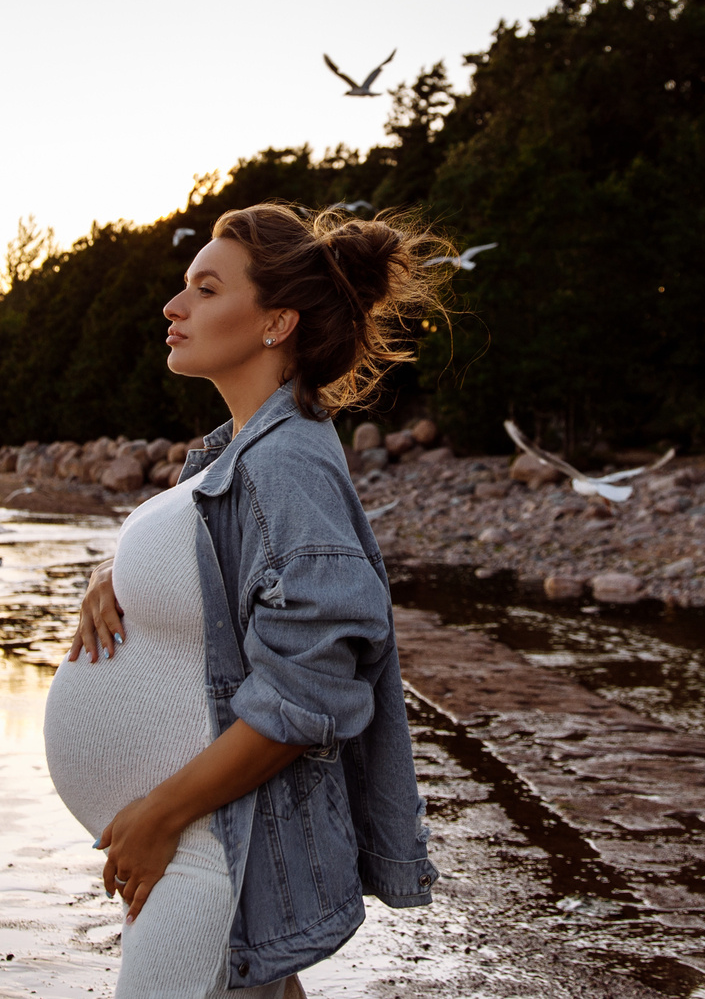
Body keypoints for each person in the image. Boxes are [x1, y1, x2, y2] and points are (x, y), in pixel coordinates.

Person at [43, 203, 448, 998]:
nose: (173, 305)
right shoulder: (244, 448)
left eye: (204, 287)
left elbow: (307, 693)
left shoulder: (288, 462)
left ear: (276, 320)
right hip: (199, 844)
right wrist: (115, 575)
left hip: (212, 847)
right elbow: (218, 564)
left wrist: (160, 814)